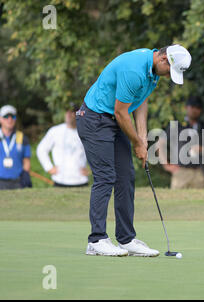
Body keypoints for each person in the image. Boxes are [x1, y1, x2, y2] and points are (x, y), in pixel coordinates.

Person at [76, 44, 191, 257]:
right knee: (105, 177)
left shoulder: (153, 71)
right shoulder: (134, 70)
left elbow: (140, 101)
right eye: (170, 71)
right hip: (95, 118)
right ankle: (97, 240)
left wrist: (142, 137)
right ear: (164, 58)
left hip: (113, 119)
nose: (168, 76)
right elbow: (121, 112)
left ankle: (126, 239)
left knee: (126, 176)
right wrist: (137, 143)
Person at [160, 97, 204, 189]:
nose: (195, 110)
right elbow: (160, 144)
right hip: (180, 171)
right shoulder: (176, 125)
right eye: (192, 107)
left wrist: (202, 150)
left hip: (198, 172)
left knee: (200, 201)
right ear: (186, 108)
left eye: (198, 108)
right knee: (177, 201)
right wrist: (166, 165)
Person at [37, 105, 89, 187]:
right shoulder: (55, 131)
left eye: (72, 112)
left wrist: (92, 170)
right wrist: (49, 167)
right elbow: (41, 149)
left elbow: (98, 151)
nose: (68, 114)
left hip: (81, 181)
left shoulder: (86, 132)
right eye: (67, 111)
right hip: (60, 180)